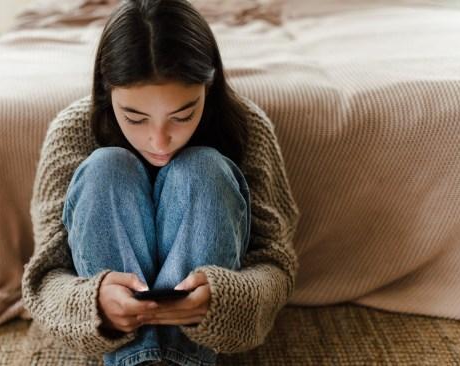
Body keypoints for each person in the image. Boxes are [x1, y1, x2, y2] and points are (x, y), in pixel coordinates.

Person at [21, 0, 300, 365]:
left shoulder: (245, 127)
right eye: (134, 118)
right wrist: (94, 301)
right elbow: (45, 277)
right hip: (116, 341)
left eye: (183, 115)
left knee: (203, 167)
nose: (160, 141)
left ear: (209, 86)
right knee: (107, 166)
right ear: (107, 91)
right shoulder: (73, 132)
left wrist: (226, 297)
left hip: (203, 339)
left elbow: (276, 263)